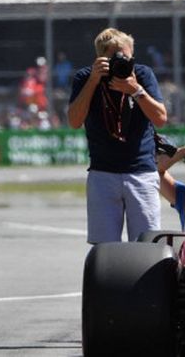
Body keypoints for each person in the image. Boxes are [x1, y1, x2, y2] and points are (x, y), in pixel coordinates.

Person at [68, 28, 167, 244]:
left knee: (147, 245)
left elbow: (160, 118)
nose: (123, 63)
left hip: (140, 172)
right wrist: (93, 81)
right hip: (102, 173)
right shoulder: (86, 77)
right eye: (116, 58)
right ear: (101, 59)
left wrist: (136, 91)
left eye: (127, 57)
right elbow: (74, 121)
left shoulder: (141, 75)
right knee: (104, 248)